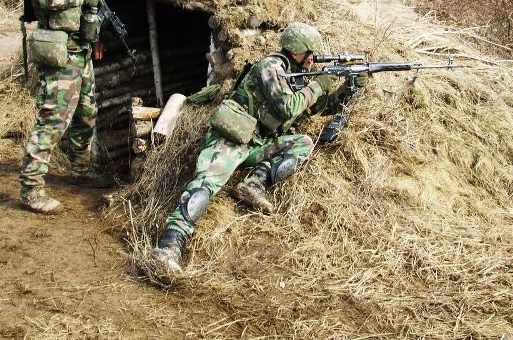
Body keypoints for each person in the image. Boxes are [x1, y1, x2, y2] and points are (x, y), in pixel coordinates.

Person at [151, 22, 363, 276]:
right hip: (232, 139)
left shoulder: (295, 74)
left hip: (257, 143)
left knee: (302, 143)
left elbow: (318, 109)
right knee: (204, 186)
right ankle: (169, 246)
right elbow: (288, 107)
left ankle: (254, 183)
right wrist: (318, 84)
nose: (313, 58)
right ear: (298, 51)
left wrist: (349, 87)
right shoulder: (271, 67)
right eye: (311, 53)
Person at [18, 0, 107, 215]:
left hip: (79, 51)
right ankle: (31, 189)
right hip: (59, 53)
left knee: (86, 112)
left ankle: (79, 169)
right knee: (53, 119)